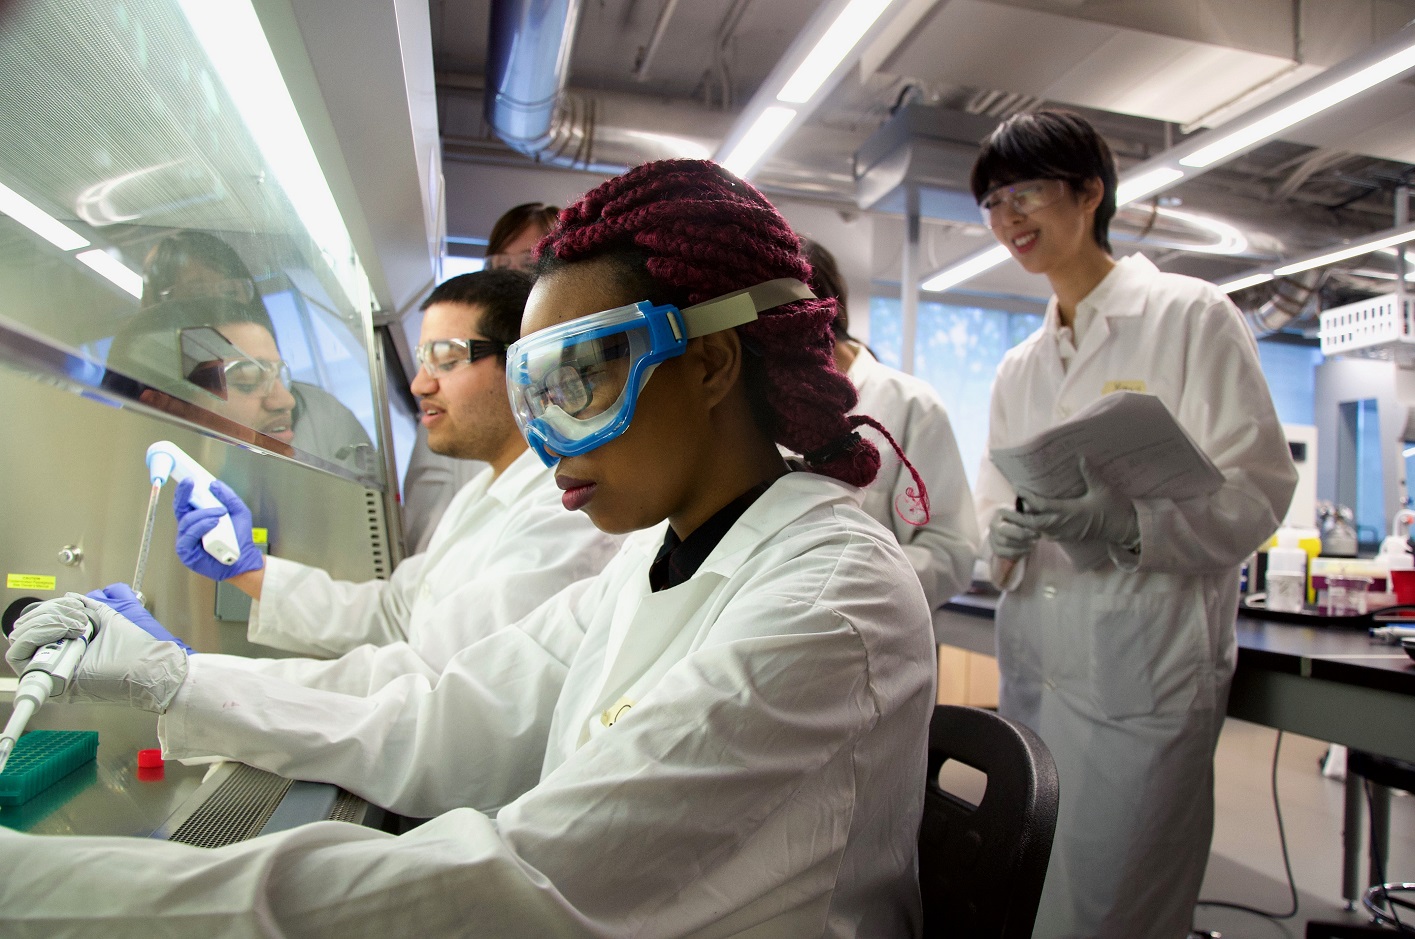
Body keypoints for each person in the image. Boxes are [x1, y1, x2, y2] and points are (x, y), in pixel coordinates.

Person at [2, 159, 937, 935]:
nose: (542, 438)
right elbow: (442, 714)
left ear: (709, 362)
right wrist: (177, 679)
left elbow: (512, 887)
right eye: (532, 391)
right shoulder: (658, 557)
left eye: (576, 382)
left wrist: (41, 889)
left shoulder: (825, 600)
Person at [970, 111, 1298, 939]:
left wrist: (1130, 522)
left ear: (1089, 193)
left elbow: (1257, 486)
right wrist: (1001, 537)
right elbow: (991, 494)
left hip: (1143, 673)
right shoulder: (1020, 363)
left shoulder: (1191, 316)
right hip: (1038, 664)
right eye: (993, 202)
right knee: (1035, 894)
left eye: (1026, 192)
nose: (1009, 217)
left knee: (1119, 906)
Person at [167, 269, 623, 688]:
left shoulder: (563, 512)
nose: (419, 385)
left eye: (445, 359)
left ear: (524, 367)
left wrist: (200, 681)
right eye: (423, 361)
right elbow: (393, 612)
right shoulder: (477, 495)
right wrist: (252, 571)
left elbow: (435, 678)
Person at [803, 237, 978, 614]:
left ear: (826, 313)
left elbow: (951, 552)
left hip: (882, 638)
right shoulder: (757, 404)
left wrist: (846, 577)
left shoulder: (911, 405)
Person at [137, 230, 376, 475]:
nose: (221, 308)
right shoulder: (142, 432)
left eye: (231, 292)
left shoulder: (323, 413)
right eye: (197, 295)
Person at [402, 202, 563, 551]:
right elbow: (426, 543)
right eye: (501, 265)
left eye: (531, 263)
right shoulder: (453, 400)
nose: (518, 277)